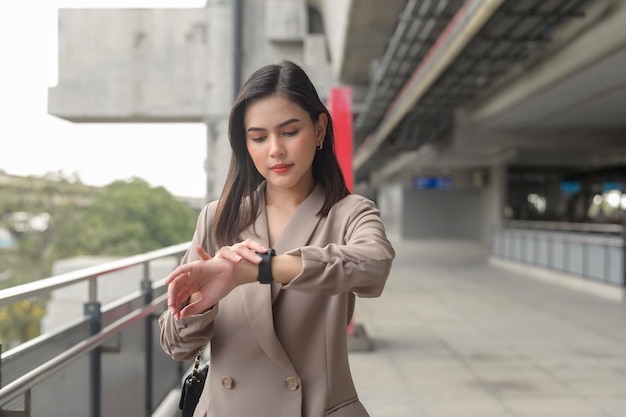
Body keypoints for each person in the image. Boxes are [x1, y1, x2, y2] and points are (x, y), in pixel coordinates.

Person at [159, 60, 395, 417]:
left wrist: (256, 270)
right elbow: (174, 344)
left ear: (319, 130)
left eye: (288, 132)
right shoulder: (219, 217)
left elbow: (374, 265)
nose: (275, 150)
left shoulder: (348, 213)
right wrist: (200, 300)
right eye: (258, 137)